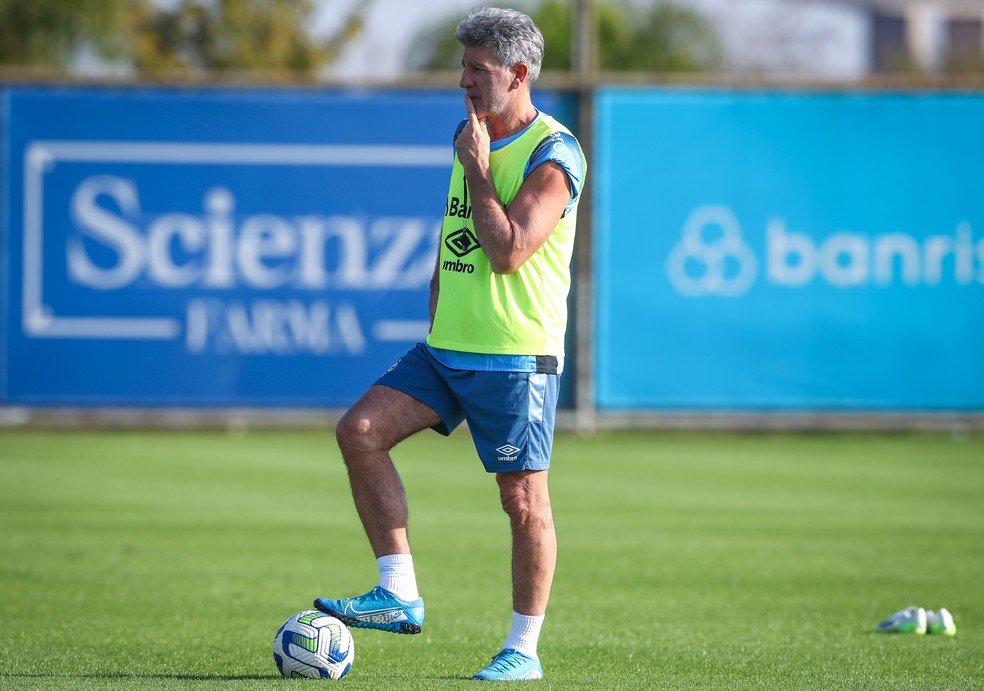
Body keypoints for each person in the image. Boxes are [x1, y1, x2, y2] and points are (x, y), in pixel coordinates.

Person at [314, 6, 585, 682]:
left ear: (518, 73)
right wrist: (438, 307)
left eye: (477, 70)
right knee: (360, 430)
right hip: (446, 348)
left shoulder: (555, 152)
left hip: (516, 355)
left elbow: (510, 250)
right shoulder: (472, 134)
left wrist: (480, 169)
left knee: (523, 503)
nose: (462, 80)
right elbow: (458, 239)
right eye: (462, 66)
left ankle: (523, 649)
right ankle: (399, 589)